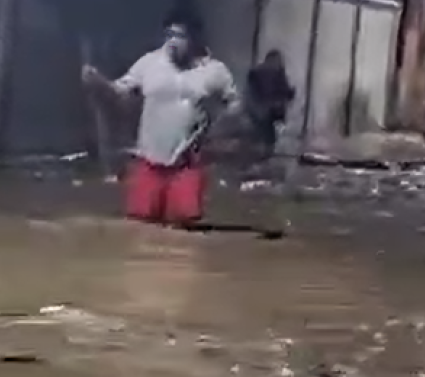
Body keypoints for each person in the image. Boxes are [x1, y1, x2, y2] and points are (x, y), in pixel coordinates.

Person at [81, 17, 240, 227]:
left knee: (185, 224)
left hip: (187, 163)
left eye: (180, 36)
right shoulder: (149, 63)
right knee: (139, 222)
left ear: (195, 39)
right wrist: (99, 82)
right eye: (169, 35)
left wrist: (216, 131)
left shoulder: (215, 71)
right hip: (150, 160)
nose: (173, 41)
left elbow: (235, 103)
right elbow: (120, 91)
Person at [244, 50, 295, 161]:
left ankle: (261, 153)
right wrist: (291, 93)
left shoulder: (255, 71)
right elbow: (285, 90)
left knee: (262, 134)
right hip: (271, 110)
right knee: (270, 136)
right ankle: (267, 153)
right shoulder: (278, 71)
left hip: (257, 110)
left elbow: (249, 93)